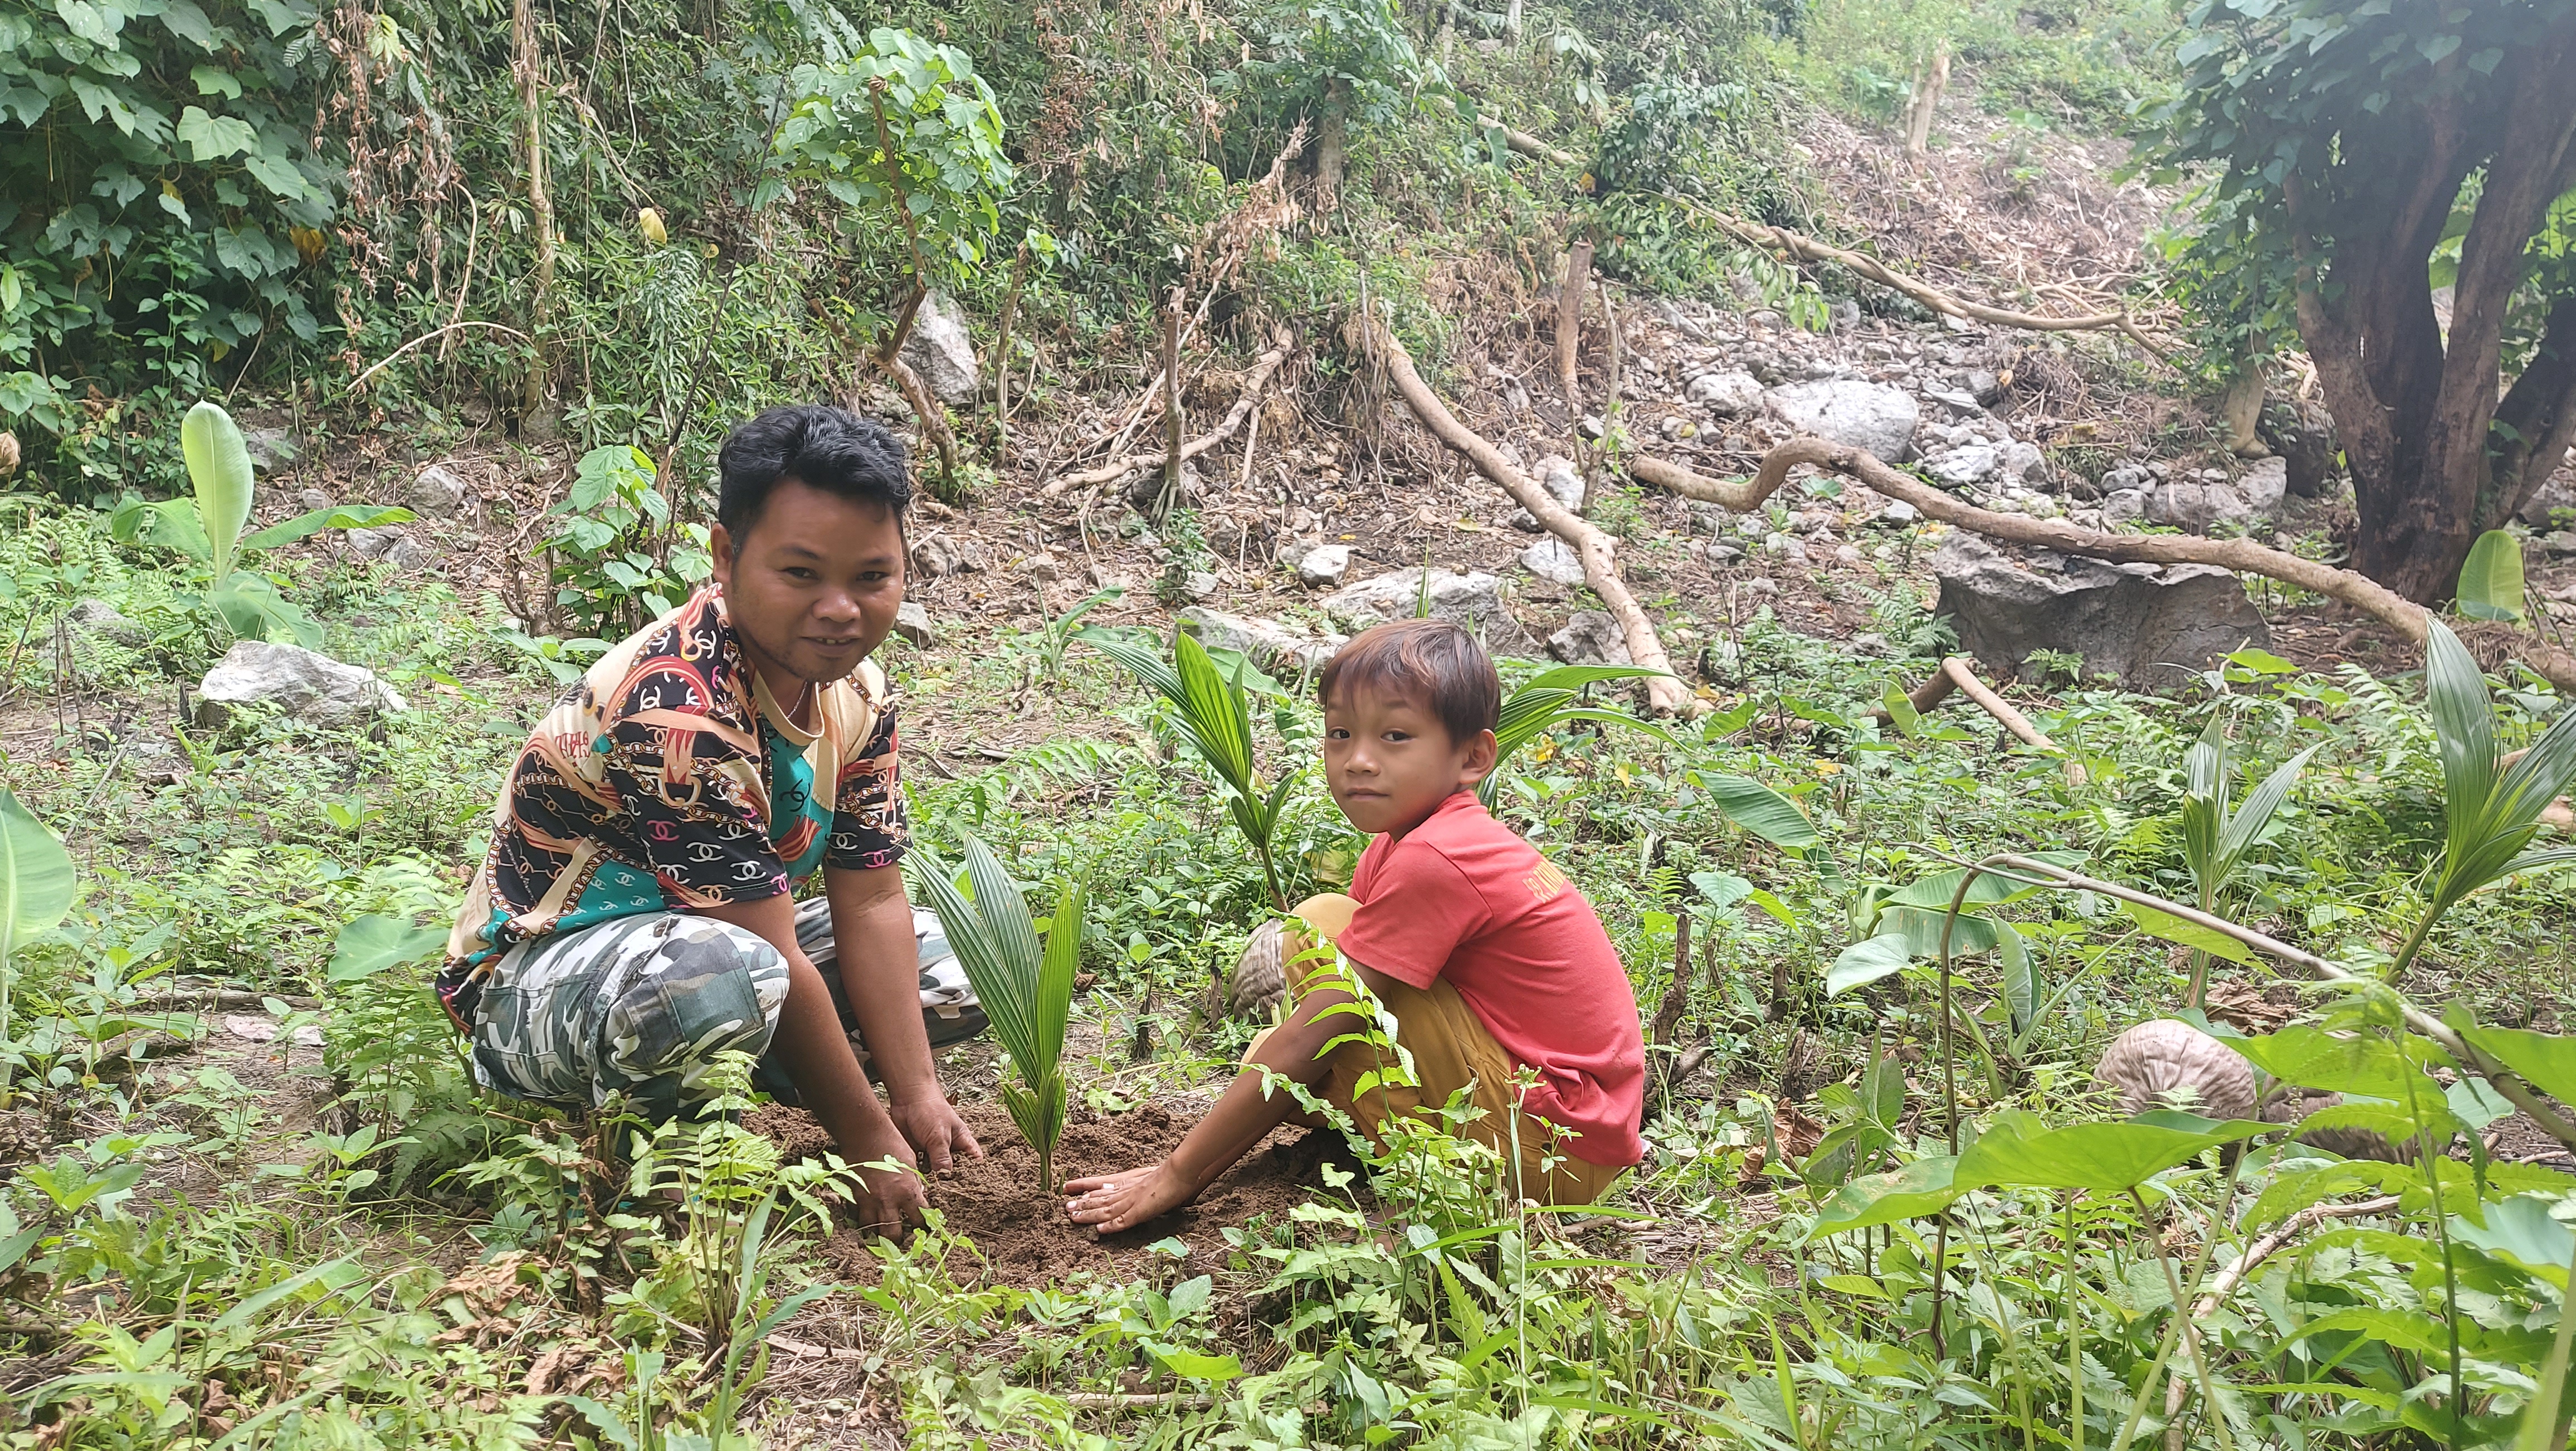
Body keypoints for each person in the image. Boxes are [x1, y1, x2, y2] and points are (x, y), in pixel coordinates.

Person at [435, 403, 983, 1232]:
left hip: (709, 952)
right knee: (728, 974)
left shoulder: (859, 694)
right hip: (533, 991)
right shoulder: (678, 709)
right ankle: (628, 1143)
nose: (840, 608)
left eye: (871, 577)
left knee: (949, 966)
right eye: (801, 574)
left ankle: (731, 1074)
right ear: (726, 556)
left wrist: (918, 1097)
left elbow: (869, 899)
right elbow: (768, 948)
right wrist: (868, 1144)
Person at [1063, 619, 1646, 1231]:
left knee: (1315, 1009)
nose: (1358, 761)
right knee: (1321, 926)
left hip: (1554, 1154)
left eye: (1395, 736)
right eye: (1340, 733)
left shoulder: (1438, 859)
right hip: (1565, 1129)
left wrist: (1176, 1174)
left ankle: (1438, 1175)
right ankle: (1392, 1126)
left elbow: (1319, 1032)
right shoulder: (1417, 841)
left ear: (1473, 756)